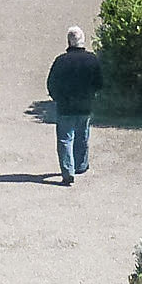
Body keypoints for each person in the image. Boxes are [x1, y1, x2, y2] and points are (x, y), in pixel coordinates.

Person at [46, 26, 104, 185]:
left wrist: (56, 97)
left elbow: (51, 83)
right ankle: (81, 165)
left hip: (65, 106)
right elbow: (99, 83)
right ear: (83, 41)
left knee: (65, 138)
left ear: (69, 42)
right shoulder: (92, 60)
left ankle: (67, 171)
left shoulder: (61, 60)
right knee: (82, 136)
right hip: (85, 105)